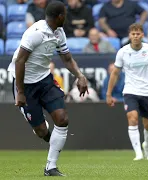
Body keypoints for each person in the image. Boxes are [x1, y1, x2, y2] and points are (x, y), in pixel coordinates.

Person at [7, 1, 88, 176]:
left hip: (45, 80)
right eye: (64, 15)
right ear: (59, 16)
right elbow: (20, 61)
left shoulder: (59, 32)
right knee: (42, 131)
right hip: (25, 85)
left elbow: (67, 59)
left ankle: (50, 167)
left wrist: (80, 76)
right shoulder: (35, 33)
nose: (65, 17)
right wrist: (20, 92)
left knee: (62, 119)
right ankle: (50, 140)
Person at [106, 23, 148, 161]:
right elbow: (115, 73)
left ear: (142, 35)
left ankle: (147, 145)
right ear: (129, 35)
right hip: (130, 91)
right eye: (133, 34)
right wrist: (108, 94)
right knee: (132, 118)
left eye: (138, 33)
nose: (135, 36)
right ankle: (138, 153)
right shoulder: (123, 52)